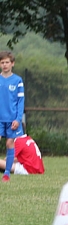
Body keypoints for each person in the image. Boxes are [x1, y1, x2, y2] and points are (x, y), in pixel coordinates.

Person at [0, 50, 25, 182]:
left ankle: (7, 173)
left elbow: (20, 101)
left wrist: (18, 119)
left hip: (12, 119)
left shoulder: (18, 80)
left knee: (10, 143)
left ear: (12, 63)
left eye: (7, 62)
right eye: (2, 62)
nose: (5, 65)